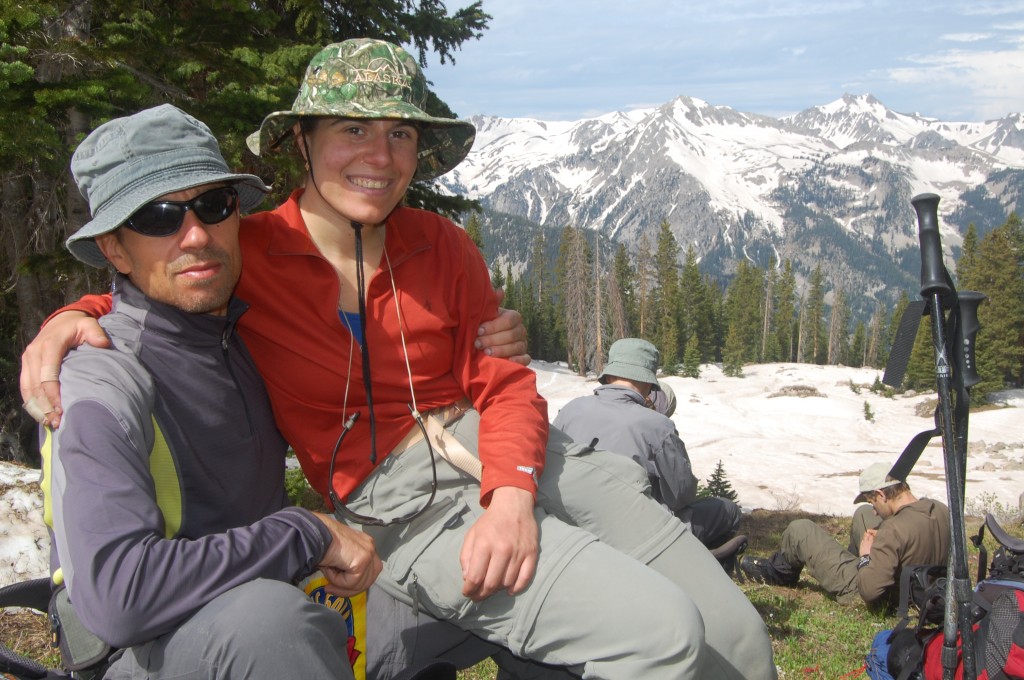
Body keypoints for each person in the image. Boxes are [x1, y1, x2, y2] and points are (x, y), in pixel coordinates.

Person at [24, 39, 777, 679]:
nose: (379, 156)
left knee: (738, 636)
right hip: (398, 504)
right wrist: (72, 319)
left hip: (514, 452)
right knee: (660, 631)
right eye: (352, 128)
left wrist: (511, 497)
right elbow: (166, 286)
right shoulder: (249, 248)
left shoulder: (440, 245)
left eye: (400, 134)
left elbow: (504, 383)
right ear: (304, 140)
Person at [41, 104, 382, 680]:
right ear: (114, 250)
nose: (196, 235)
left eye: (213, 205)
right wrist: (304, 530)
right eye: (156, 218)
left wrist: (484, 338)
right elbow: (119, 599)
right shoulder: (100, 383)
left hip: (269, 602)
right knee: (267, 624)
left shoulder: (244, 332)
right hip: (145, 649)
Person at [552, 338, 742, 551]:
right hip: (637, 537)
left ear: (610, 374)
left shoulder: (571, 409)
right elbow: (682, 495)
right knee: (729, 511)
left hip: (571, 527)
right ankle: (697, 570)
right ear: (648, 382)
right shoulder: (658, 426)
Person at [739, 462, 951, 607]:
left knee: (800, 529)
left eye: (873, 501)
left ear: (881, 494)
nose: (875, 510)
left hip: (880, 591)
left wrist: (867, 556)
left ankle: (778, 573)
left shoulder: (893, 530)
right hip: (923, 582)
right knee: (863, 514)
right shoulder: (939, 508)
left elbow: (869, 592)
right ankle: (851, 559)